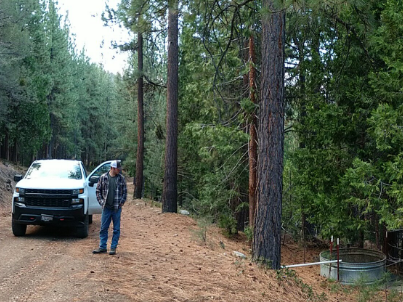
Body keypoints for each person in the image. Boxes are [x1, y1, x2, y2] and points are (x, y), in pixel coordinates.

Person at [93, 160, 127, 255]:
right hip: (106, 208)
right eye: (117, 168)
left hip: (116, 208)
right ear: (112, 168)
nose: (119, 170)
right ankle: (102, 247)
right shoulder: (103, 177)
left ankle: (113, 248)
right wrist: (101, 202)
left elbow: (125, 192)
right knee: (104, 228)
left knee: (116, 229)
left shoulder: (121, 179)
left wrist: (121, 202)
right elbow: (98, 191)